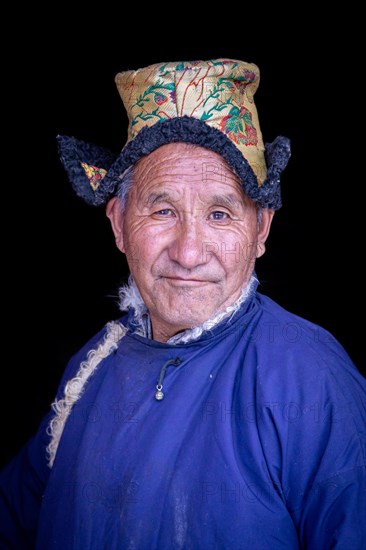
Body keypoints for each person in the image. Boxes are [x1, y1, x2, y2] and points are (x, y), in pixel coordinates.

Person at [0, 58, 365, 549]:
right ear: (118, 224)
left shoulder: (311, 377)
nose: (189, 253)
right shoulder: (92, 367)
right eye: (163, 210)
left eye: (220, 213)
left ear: (260, 229)